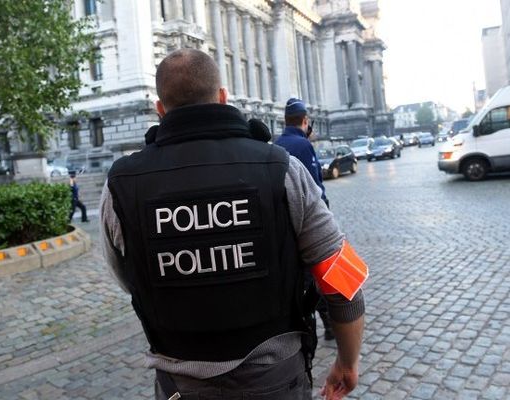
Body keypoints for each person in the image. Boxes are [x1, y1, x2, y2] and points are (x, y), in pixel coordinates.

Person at [100, 49, 366, 400]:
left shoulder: (120, 185)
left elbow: (129, 278)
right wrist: (348, 362)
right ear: (223, 97)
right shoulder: (281, 168)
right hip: (275, 382)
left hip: (179, 386)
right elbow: (341, 281)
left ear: (160, 109)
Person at [275, 99, 335, 341]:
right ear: (305, 121)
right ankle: (327, 325)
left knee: (298, 278)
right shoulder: (303, 144)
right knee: (316, 278)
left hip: (285, 223)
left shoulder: (276, 144)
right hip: (307, 222)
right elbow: (315, 188)